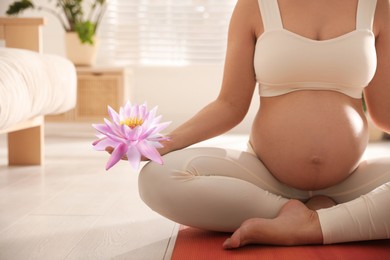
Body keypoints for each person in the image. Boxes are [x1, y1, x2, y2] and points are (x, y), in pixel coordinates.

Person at [112, 0, 390, 248]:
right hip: (267, 180)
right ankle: (301, 214)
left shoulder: (378, 6)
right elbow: (229, 105)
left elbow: (384, 113)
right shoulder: (254, 5)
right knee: (156, 180)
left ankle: (310, 225)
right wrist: (162, 143)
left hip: (350, 183)